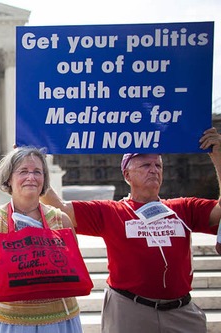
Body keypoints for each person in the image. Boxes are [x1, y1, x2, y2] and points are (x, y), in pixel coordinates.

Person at [40, 127, 221, 333]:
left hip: (181, 312)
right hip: (129, 310)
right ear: (127, 174)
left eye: (158, 165)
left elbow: (219, 212)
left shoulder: (184, 208)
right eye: (145, 165)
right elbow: (60, 208)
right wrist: (37, 168)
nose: (153, 170)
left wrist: (218, 157)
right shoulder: (111, 211)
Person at [0, 146, 83, 333]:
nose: (31, 177)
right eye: (23, 171)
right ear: (9, 179)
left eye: (38, 171)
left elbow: (73, 270)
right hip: (8, 323)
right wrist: (5, 299)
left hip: (60, 320)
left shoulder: (61, 220)